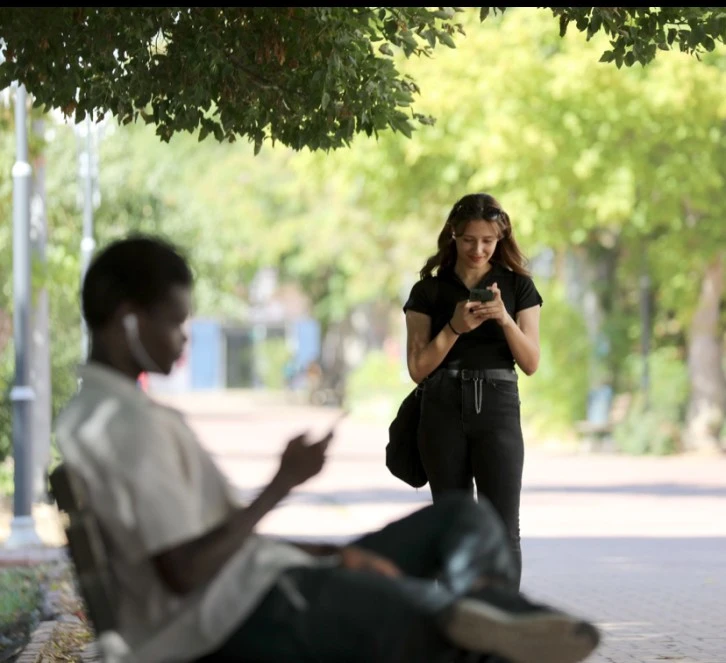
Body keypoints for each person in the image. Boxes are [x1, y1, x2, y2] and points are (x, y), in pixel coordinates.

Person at [55, 235, 599, 663]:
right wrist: (281, 485)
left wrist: (331, 555)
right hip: (239, 617)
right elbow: (184, 571)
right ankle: (474, 618)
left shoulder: (116, 415)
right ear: (128, 319)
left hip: (262, 585)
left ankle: (484, 611)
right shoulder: (119, 424)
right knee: (450, 632)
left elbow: (209, 549)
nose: (183, 339)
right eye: (175, 322)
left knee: (460, 519)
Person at [404, 193, 543, 589]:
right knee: (452, 524)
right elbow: (418, 369)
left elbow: (531, 362)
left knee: (502, 527)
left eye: (488, 240)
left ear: (501, 238)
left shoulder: (519, 286)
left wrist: (503, 319)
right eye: (469, 240)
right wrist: (454, 328)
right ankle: (455, 624)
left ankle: (501, 624)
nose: (479, 249)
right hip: (443, 408)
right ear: (453, 235)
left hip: (498, 407)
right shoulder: (428, 292)